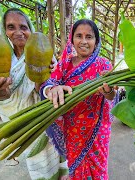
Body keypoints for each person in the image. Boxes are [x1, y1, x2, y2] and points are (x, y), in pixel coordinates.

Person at [0, 8, 66, 180]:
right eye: (11, 27)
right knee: (36, 162)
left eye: (23, 27)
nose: (18, 32)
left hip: (41, 118)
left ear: (30, 30)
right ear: (5, 32)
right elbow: (2, 93)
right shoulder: (0, 60)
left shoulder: (44, 55)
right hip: (19, 123)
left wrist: (46, 79)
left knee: (54, 156)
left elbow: (49, 83)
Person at [40, 19, 117, 180]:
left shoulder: (104, 65)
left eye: (89, 37)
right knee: (75, 168)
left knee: (98, 169)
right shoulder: (64, 64)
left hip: (97, 130)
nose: (83, 41)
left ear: (96, 41)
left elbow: (111, 96)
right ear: (72, 40)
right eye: (79, 36)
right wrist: (52, 89)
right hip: (73, 130)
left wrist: (108, 91)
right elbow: (49, 84)